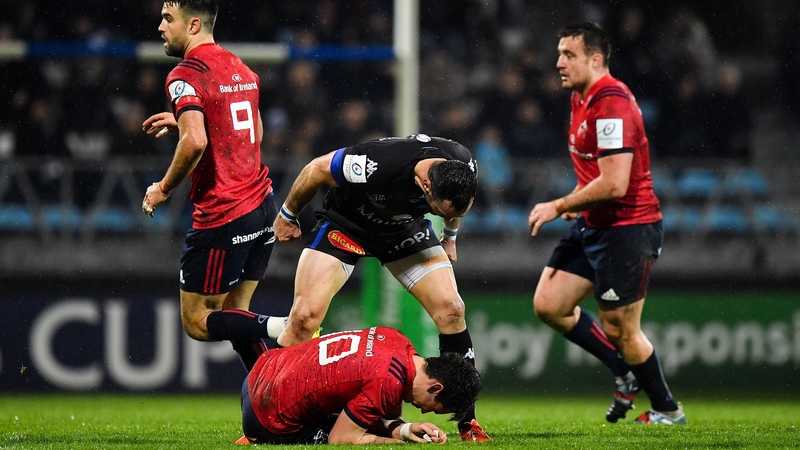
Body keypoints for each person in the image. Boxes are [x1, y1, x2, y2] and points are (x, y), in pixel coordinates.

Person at [272, 134, 491, 441]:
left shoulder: (461, 164)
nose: (444, 217)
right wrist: (287, 215)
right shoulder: (376, 163)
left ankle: (467, 422)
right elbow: (316, 169)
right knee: (303, 318)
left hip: (403, 232)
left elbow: (459, 205)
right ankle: (269, 415)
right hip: (347, 225)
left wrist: (450, 237)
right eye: (438, 211)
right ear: (427, 185)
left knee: (452, 310)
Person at [527, 23, 685, 425]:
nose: (559, 62)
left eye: (569, 55)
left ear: (595, 59)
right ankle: (624, 371)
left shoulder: (611, 102)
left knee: (621, 328)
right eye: (559, 53)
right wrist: (578, 202)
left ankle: (667, 408)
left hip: (628, 227)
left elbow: (615, 183)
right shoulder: (580, 98)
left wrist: (559, 202)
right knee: (550, 304)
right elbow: (595, 172)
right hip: (594, 223)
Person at [140, 0, 286, 369]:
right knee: (236, 314)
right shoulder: (241, 67)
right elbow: (254, 132)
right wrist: (197, 120)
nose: (160, 27)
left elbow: (194, 143)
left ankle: (285, 326)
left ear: (192, 26)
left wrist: (163, 187)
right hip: (263, 205)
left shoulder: (184, 74)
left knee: (198, 321)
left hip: (225, 214)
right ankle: (275, 411)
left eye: (167, 19)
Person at [237, 326, 482, 445]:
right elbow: (341, 439)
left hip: (259, 373)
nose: (424, 411)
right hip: (265, 420)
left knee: (353, 411)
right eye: (434, 408)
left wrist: (407, 429)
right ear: (435, 387)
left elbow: (369, 412)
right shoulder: (387, 384)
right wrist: (397, 442)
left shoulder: (398, 341)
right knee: (347, 432)